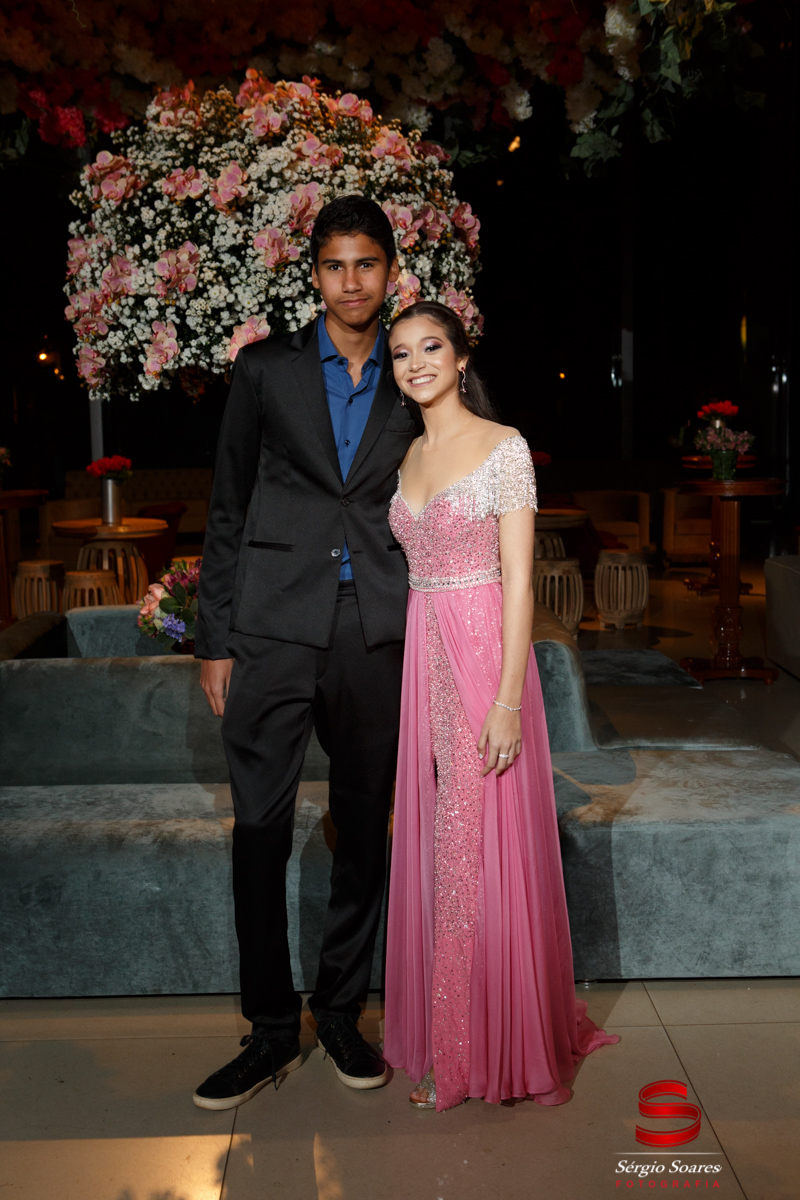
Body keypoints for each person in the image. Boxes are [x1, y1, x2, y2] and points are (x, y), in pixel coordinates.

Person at [192, 196, 419, 1110]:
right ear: (314, 273)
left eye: (367, 264)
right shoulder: (264, 369)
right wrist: (215, 639)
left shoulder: (414, 370)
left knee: (363, 828)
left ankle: (341, 1012)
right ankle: (269, 1028)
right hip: (271, 627)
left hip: (375, 629)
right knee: (259, 827)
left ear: (391, 272)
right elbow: (228, 505)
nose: (351, 282)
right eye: (334, 265)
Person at [383, 300, 619, 1112]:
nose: (417, 363)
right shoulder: (409, 454)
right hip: (424, 652)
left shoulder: (503, 446)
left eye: (431, 347)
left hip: (483, 652)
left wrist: (510, 700)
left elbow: (521, 581)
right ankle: (453, 1032)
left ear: (460, 357)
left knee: (471, 843)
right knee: (440, 841)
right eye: (402, 353)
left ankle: (471, 1052)